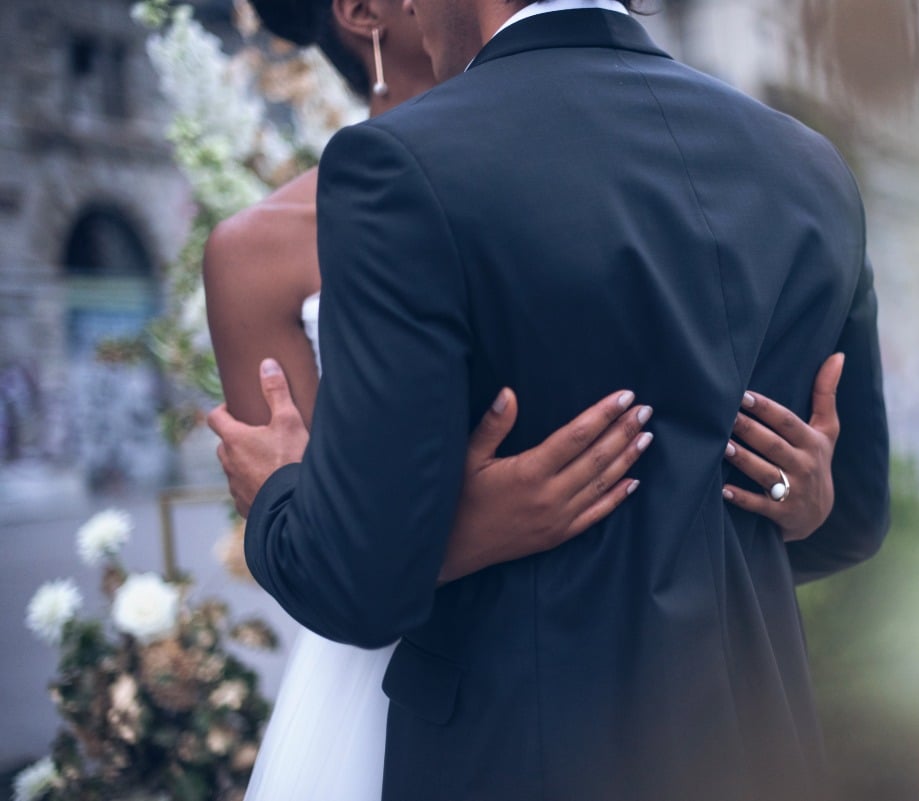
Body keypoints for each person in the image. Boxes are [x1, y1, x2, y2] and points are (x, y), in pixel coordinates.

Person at [204, 0, 849, 797]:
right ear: (361, 11)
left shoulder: (533, 153)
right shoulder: (800, 160)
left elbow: (818, 503)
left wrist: (796, 485)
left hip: (542, 724)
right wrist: (469, 531)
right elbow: (346, 558)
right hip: (422, 691)